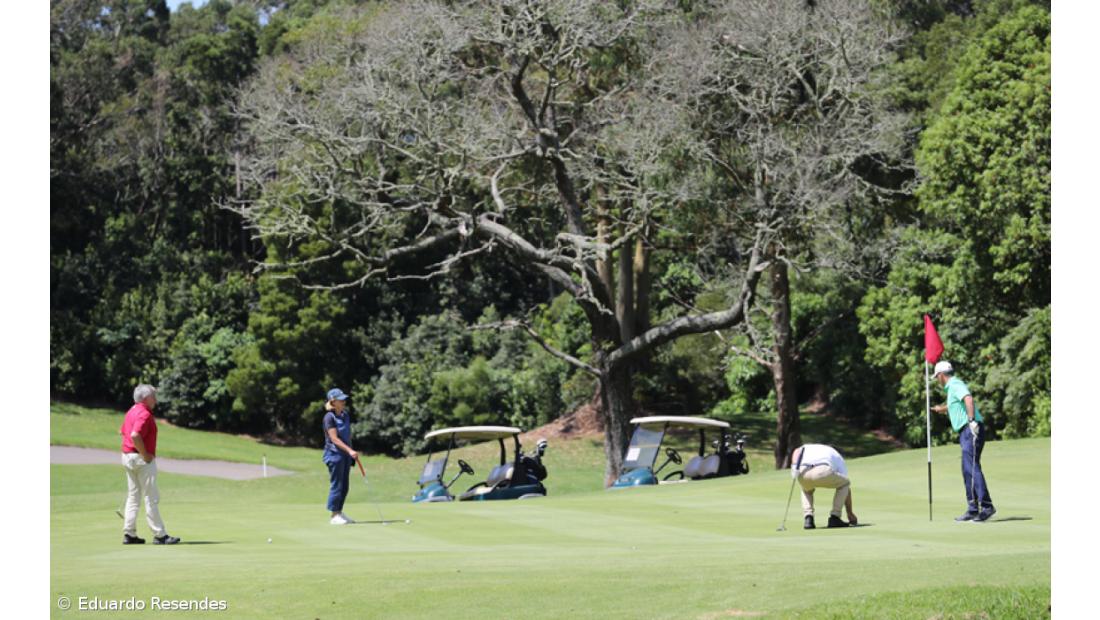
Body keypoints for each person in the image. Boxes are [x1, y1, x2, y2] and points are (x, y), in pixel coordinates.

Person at [931, 360, 996, 522]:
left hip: (970, 429)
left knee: (972, 467)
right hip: (965, 432)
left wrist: (972, 421)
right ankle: (973, 509)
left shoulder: (955, 384)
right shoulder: (952, 388)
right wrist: (942, 409)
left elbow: (968, 399)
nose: (937, 380)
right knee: (967, 469)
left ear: (941, 375)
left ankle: (987, 506)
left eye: (937, 377)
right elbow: (956, 404)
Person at [119, 384, 180, 545]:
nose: (156, 400)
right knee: (150, 497)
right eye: (153, 396)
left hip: (127, 457)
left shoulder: (131, 411)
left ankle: (129, 534)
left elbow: (123, 432)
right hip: (141, 459)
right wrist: (145, 454)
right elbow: (135, 435)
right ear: (146, 398)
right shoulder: (144, 414)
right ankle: (160, 535)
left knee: (133, 496)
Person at [791, 443, 858, 529]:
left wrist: (794, 467)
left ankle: (808, 518)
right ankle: (835, 517)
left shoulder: (809, 447)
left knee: (806, 490)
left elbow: (796, 451)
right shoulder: (837, 455)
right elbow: (846, 488)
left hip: (803, 471)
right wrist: (850, 513)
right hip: (822, 470)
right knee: (845, 484)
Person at [322, 388, 358, 525]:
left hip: (345, 455)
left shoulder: (345, 415)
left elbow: (347, 436)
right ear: (333, 402)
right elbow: (334, 439)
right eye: (340, 399)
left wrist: (351, 451)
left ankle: (339, 512)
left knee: (345, 486)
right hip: (334, 455)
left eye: (343, 399)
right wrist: (350, 450)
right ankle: (334, 515)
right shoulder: (329, 417)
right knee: (337, 485)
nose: (343, 401)